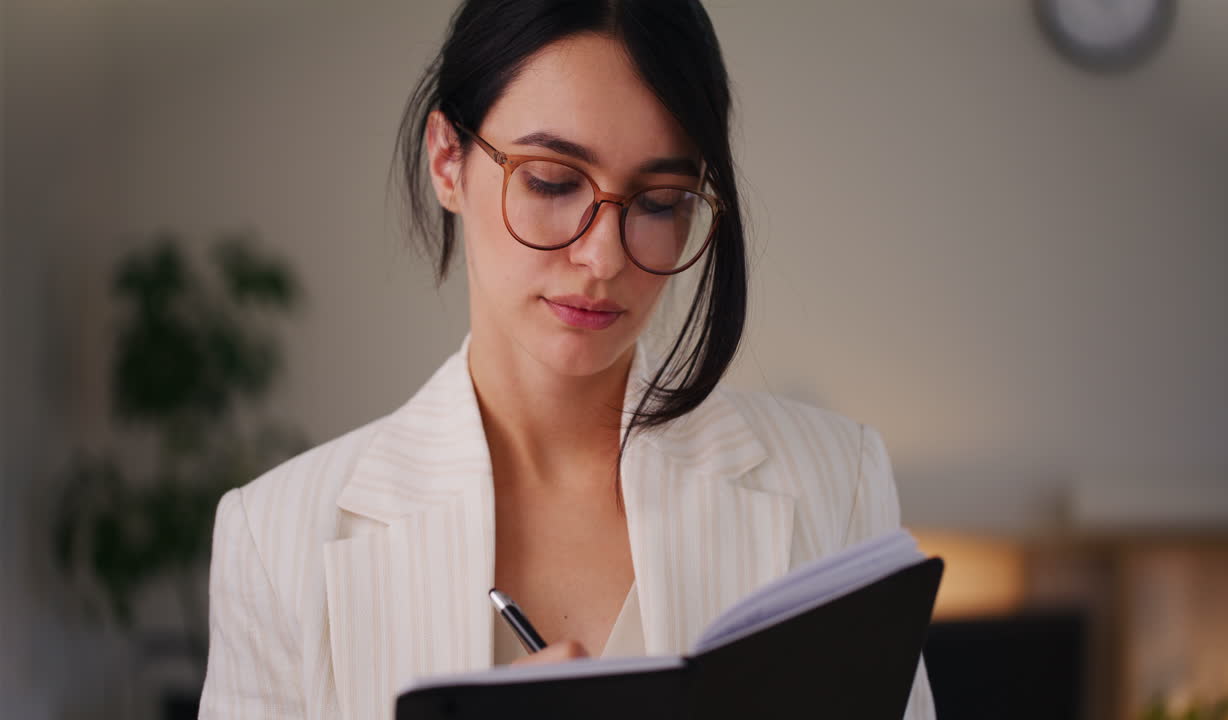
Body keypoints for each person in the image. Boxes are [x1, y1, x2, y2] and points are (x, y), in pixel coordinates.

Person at [198, 1, 936, 718]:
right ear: (447, 160)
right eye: (552, 181)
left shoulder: (833, 485)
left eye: (659, 201)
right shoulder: (278, 540)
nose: (602, 257)